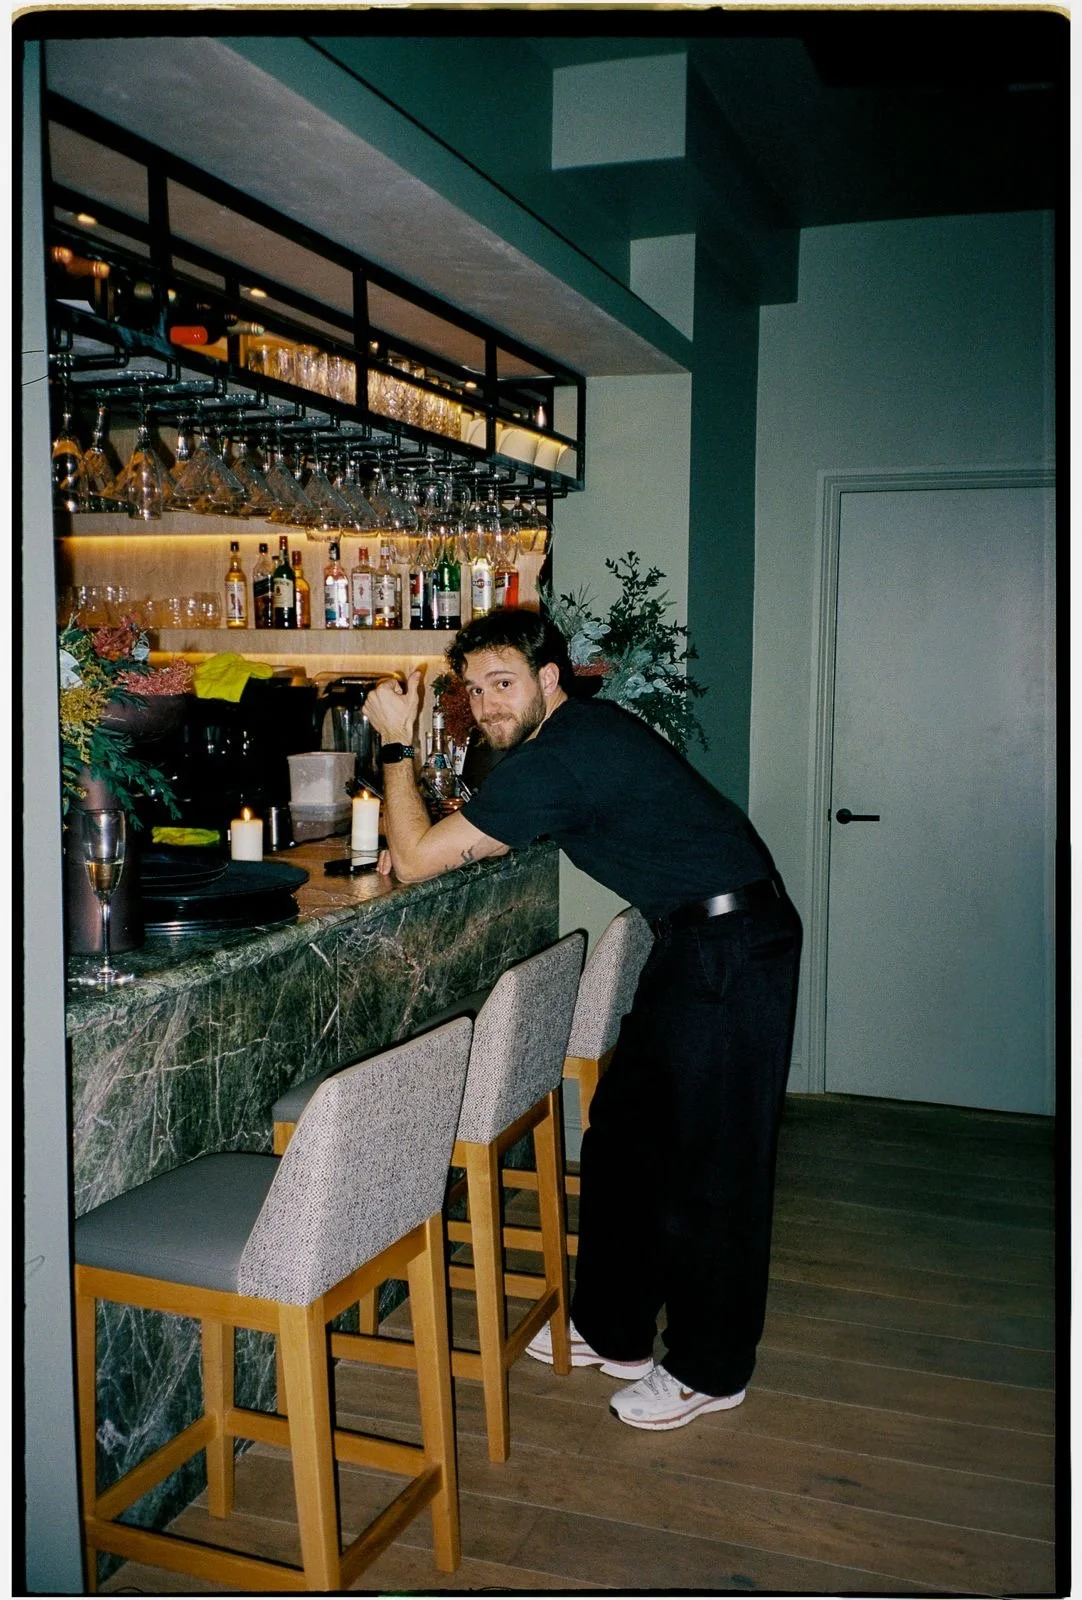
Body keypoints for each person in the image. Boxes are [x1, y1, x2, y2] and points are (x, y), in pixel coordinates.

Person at [363, 608, 801, 1432]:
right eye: (475, 690)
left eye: (504, 684)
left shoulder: (558, 756)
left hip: (734, 948)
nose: (489, 704)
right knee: (626, 1133)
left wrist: (395, 743)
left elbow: (422, 861)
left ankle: (712, 1367)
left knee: (714, 1168)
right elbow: (457, 837)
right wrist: (422, 831)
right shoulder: (565, 745)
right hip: (702, 937)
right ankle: (615, 1326)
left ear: (549, 680)